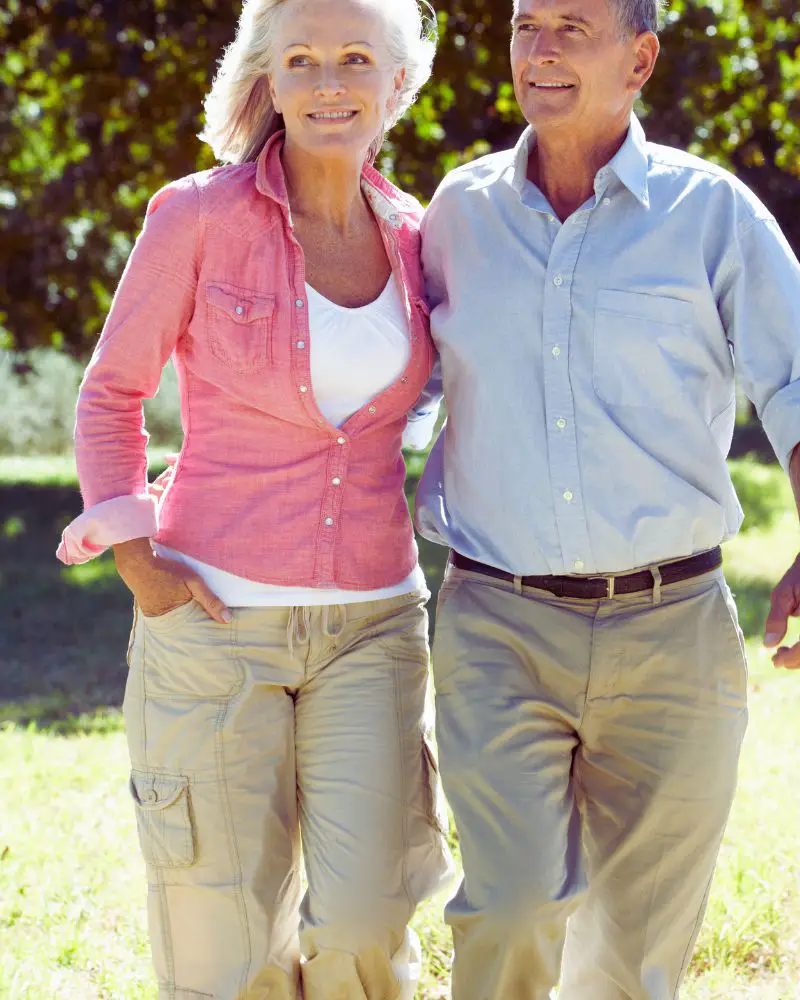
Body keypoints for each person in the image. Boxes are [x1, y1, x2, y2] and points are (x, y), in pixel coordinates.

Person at [57, 1, 453, 997]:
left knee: (367, 922)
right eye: (303, 60)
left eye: (355, 59)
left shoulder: (418, 236)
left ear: (395, 83)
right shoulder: (194, 215)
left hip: (370, 625)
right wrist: (136, 558)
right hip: (212, 625)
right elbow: (112, 391)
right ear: (268, 81)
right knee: (221, 943)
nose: (329, 83)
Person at [415, 0, 800, 997]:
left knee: (628, 959)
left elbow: (791, 378)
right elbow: (394, 385)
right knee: (504, 907)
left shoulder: (708, 212)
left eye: (570, 27)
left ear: (638, 58)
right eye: (523, 25)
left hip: (673, 629)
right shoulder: (457, 213)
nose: (539, 50)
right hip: (496, 620)